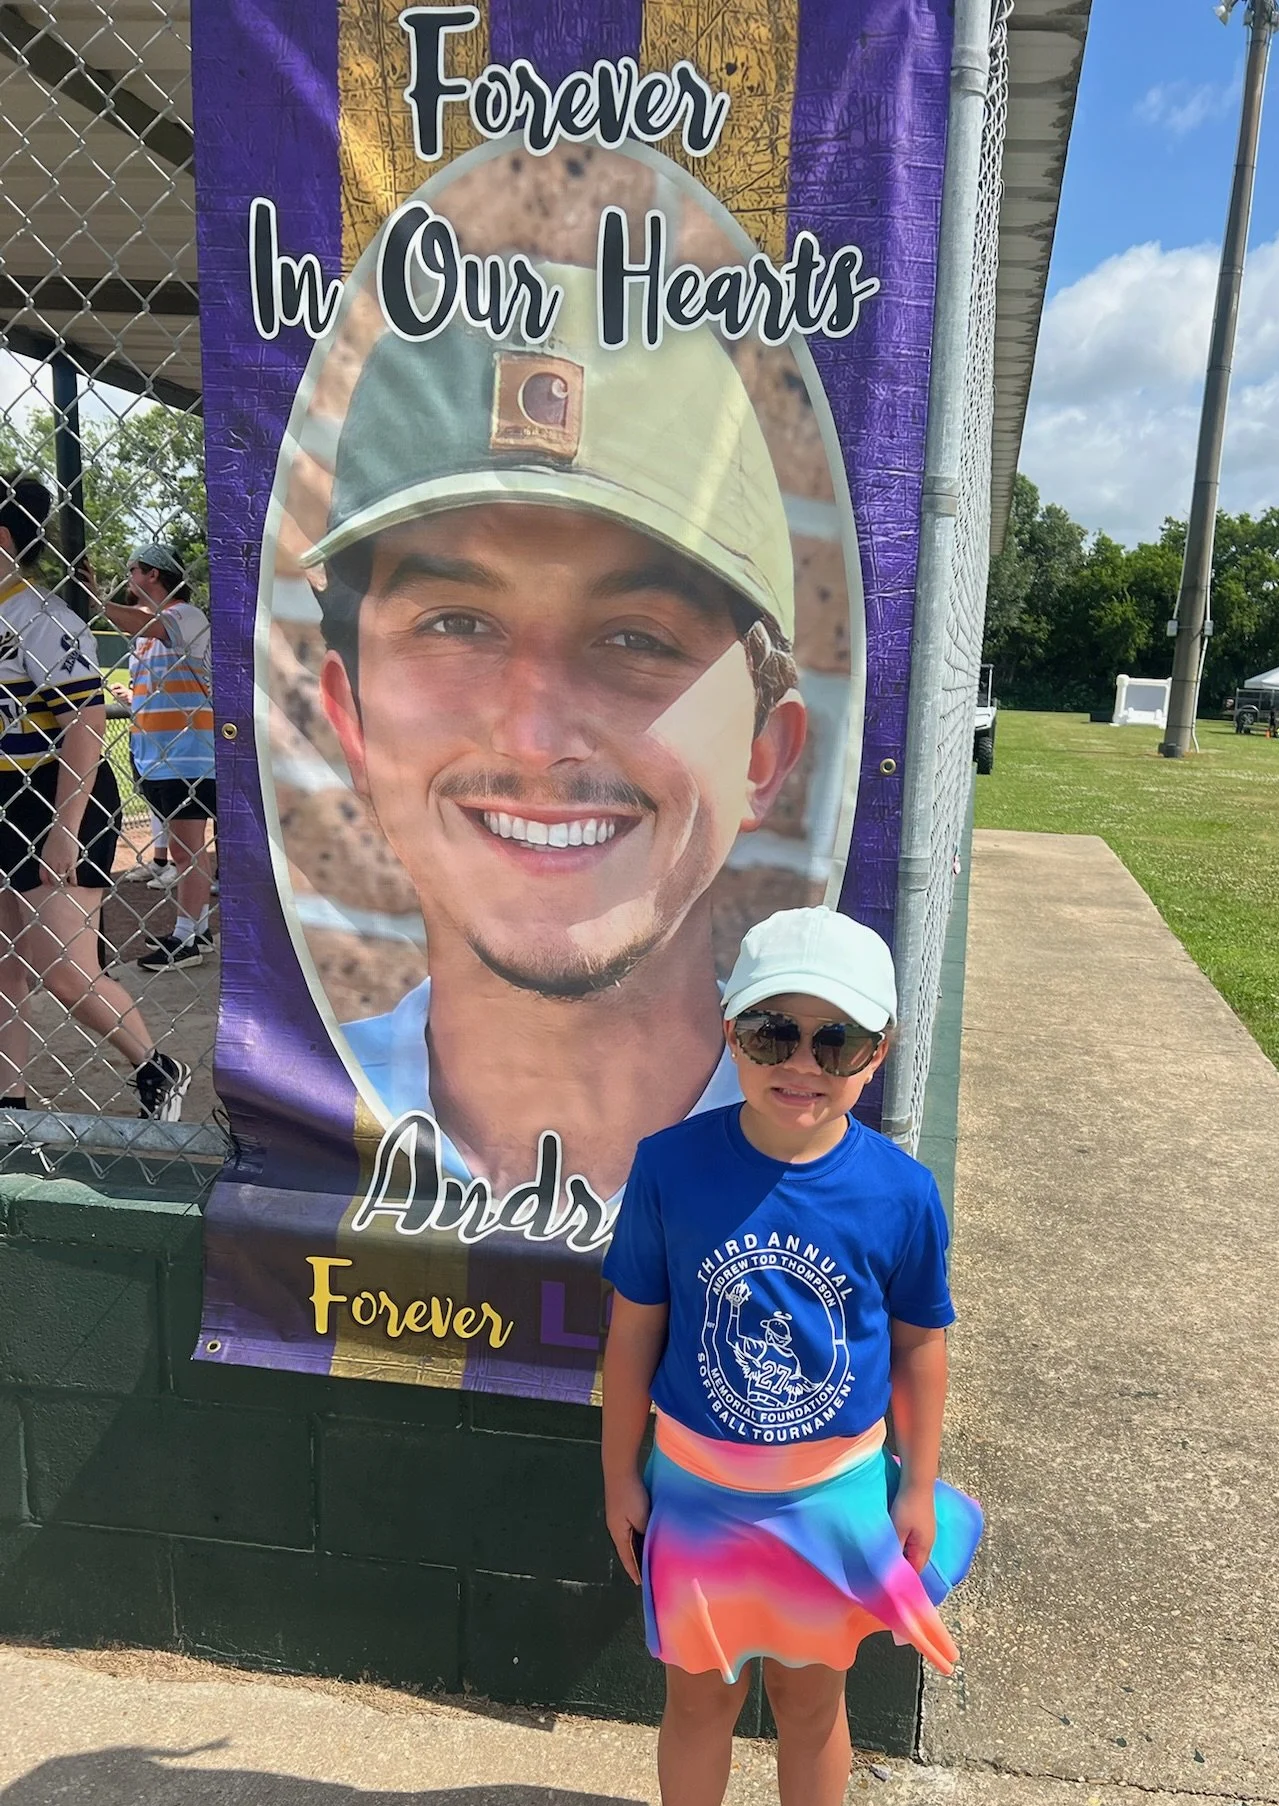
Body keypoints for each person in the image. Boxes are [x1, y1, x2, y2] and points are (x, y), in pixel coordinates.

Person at [308, 265, 807, 1202]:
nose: (536, 738)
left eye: (637, 639)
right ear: (353, 722)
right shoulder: (308, 1107)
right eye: (455, 624)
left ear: (761, 755)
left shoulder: (831, 1161)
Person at [596, 905, 983, 1806]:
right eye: (773, 1034)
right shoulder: (672, 1167)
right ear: (729, 1034)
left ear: (881, 1048)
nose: (803, 1064)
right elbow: (632, 1334)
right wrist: (621, 1473)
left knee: (814, 1703)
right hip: (700, 1501)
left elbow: (919, 1340)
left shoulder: (899, 1191)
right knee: (698, 1699)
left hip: (831, 1504)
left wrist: (915, 1484)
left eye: (837, 1040)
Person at [0, 476, 190, 1118]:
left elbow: (83, 723)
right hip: (6, 799)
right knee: (3, 966)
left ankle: (157, 1067)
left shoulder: (40, 616)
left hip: (56, 795)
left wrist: (63, 828)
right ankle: (9, 1101)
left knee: (62, 969)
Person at [85, 542, 216, 969]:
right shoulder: (147, 633)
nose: (129, 577)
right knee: (184, 850)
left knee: (186, 852)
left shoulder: (184, 617)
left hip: (188, 755)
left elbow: (154, 627)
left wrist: (95, 601)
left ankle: (187, 940)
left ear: (154, 575)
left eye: (133, 569)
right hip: (158, 756)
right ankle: (196, 931)